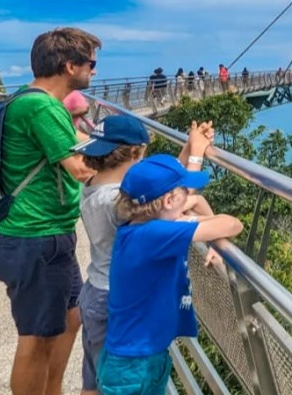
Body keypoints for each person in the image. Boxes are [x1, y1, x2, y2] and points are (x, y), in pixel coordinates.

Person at [0, 27, 100, 395]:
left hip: (46, 239)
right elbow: (82, 169)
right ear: (70, 66)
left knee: (70, 317)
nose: (94, 72)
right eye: (90, 64)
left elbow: (78, 142)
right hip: (33, 238)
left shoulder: (28, 98)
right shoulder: (42, 107)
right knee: (35, 340)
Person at [73, 116, 217, 395]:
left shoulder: (96, 185)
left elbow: (157, 191)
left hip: (94, 292)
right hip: (116, 303)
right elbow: (172, 203)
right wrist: (197, 155)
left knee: (93, 381)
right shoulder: (114, 202)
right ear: (137, 153)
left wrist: (189, 147)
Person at [97, 140, 243, 394]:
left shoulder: (137, 225)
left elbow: (195, 202)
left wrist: (196, 226)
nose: (189, 194)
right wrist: (192, 221)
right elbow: (232, 224)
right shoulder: (156, 234)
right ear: (168, 200)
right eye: (184, 190)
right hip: (135, 367)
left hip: (137, 359)